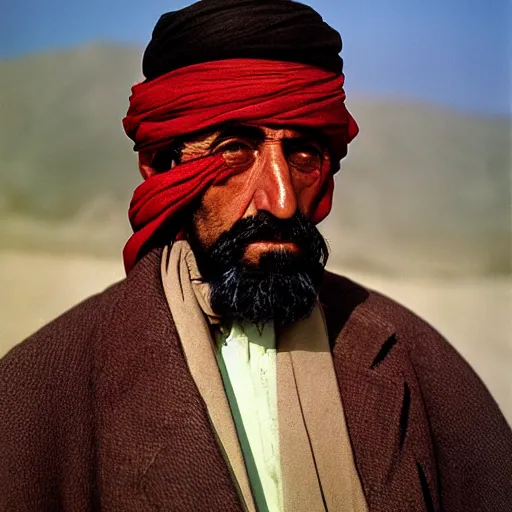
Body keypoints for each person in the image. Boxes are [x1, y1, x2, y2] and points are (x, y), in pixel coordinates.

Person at [1, 1, 511, 511]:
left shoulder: (422, 367)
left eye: (303, 152)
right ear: (161, 166)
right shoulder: (34, 397)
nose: (282, 200)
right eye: (233, 150)